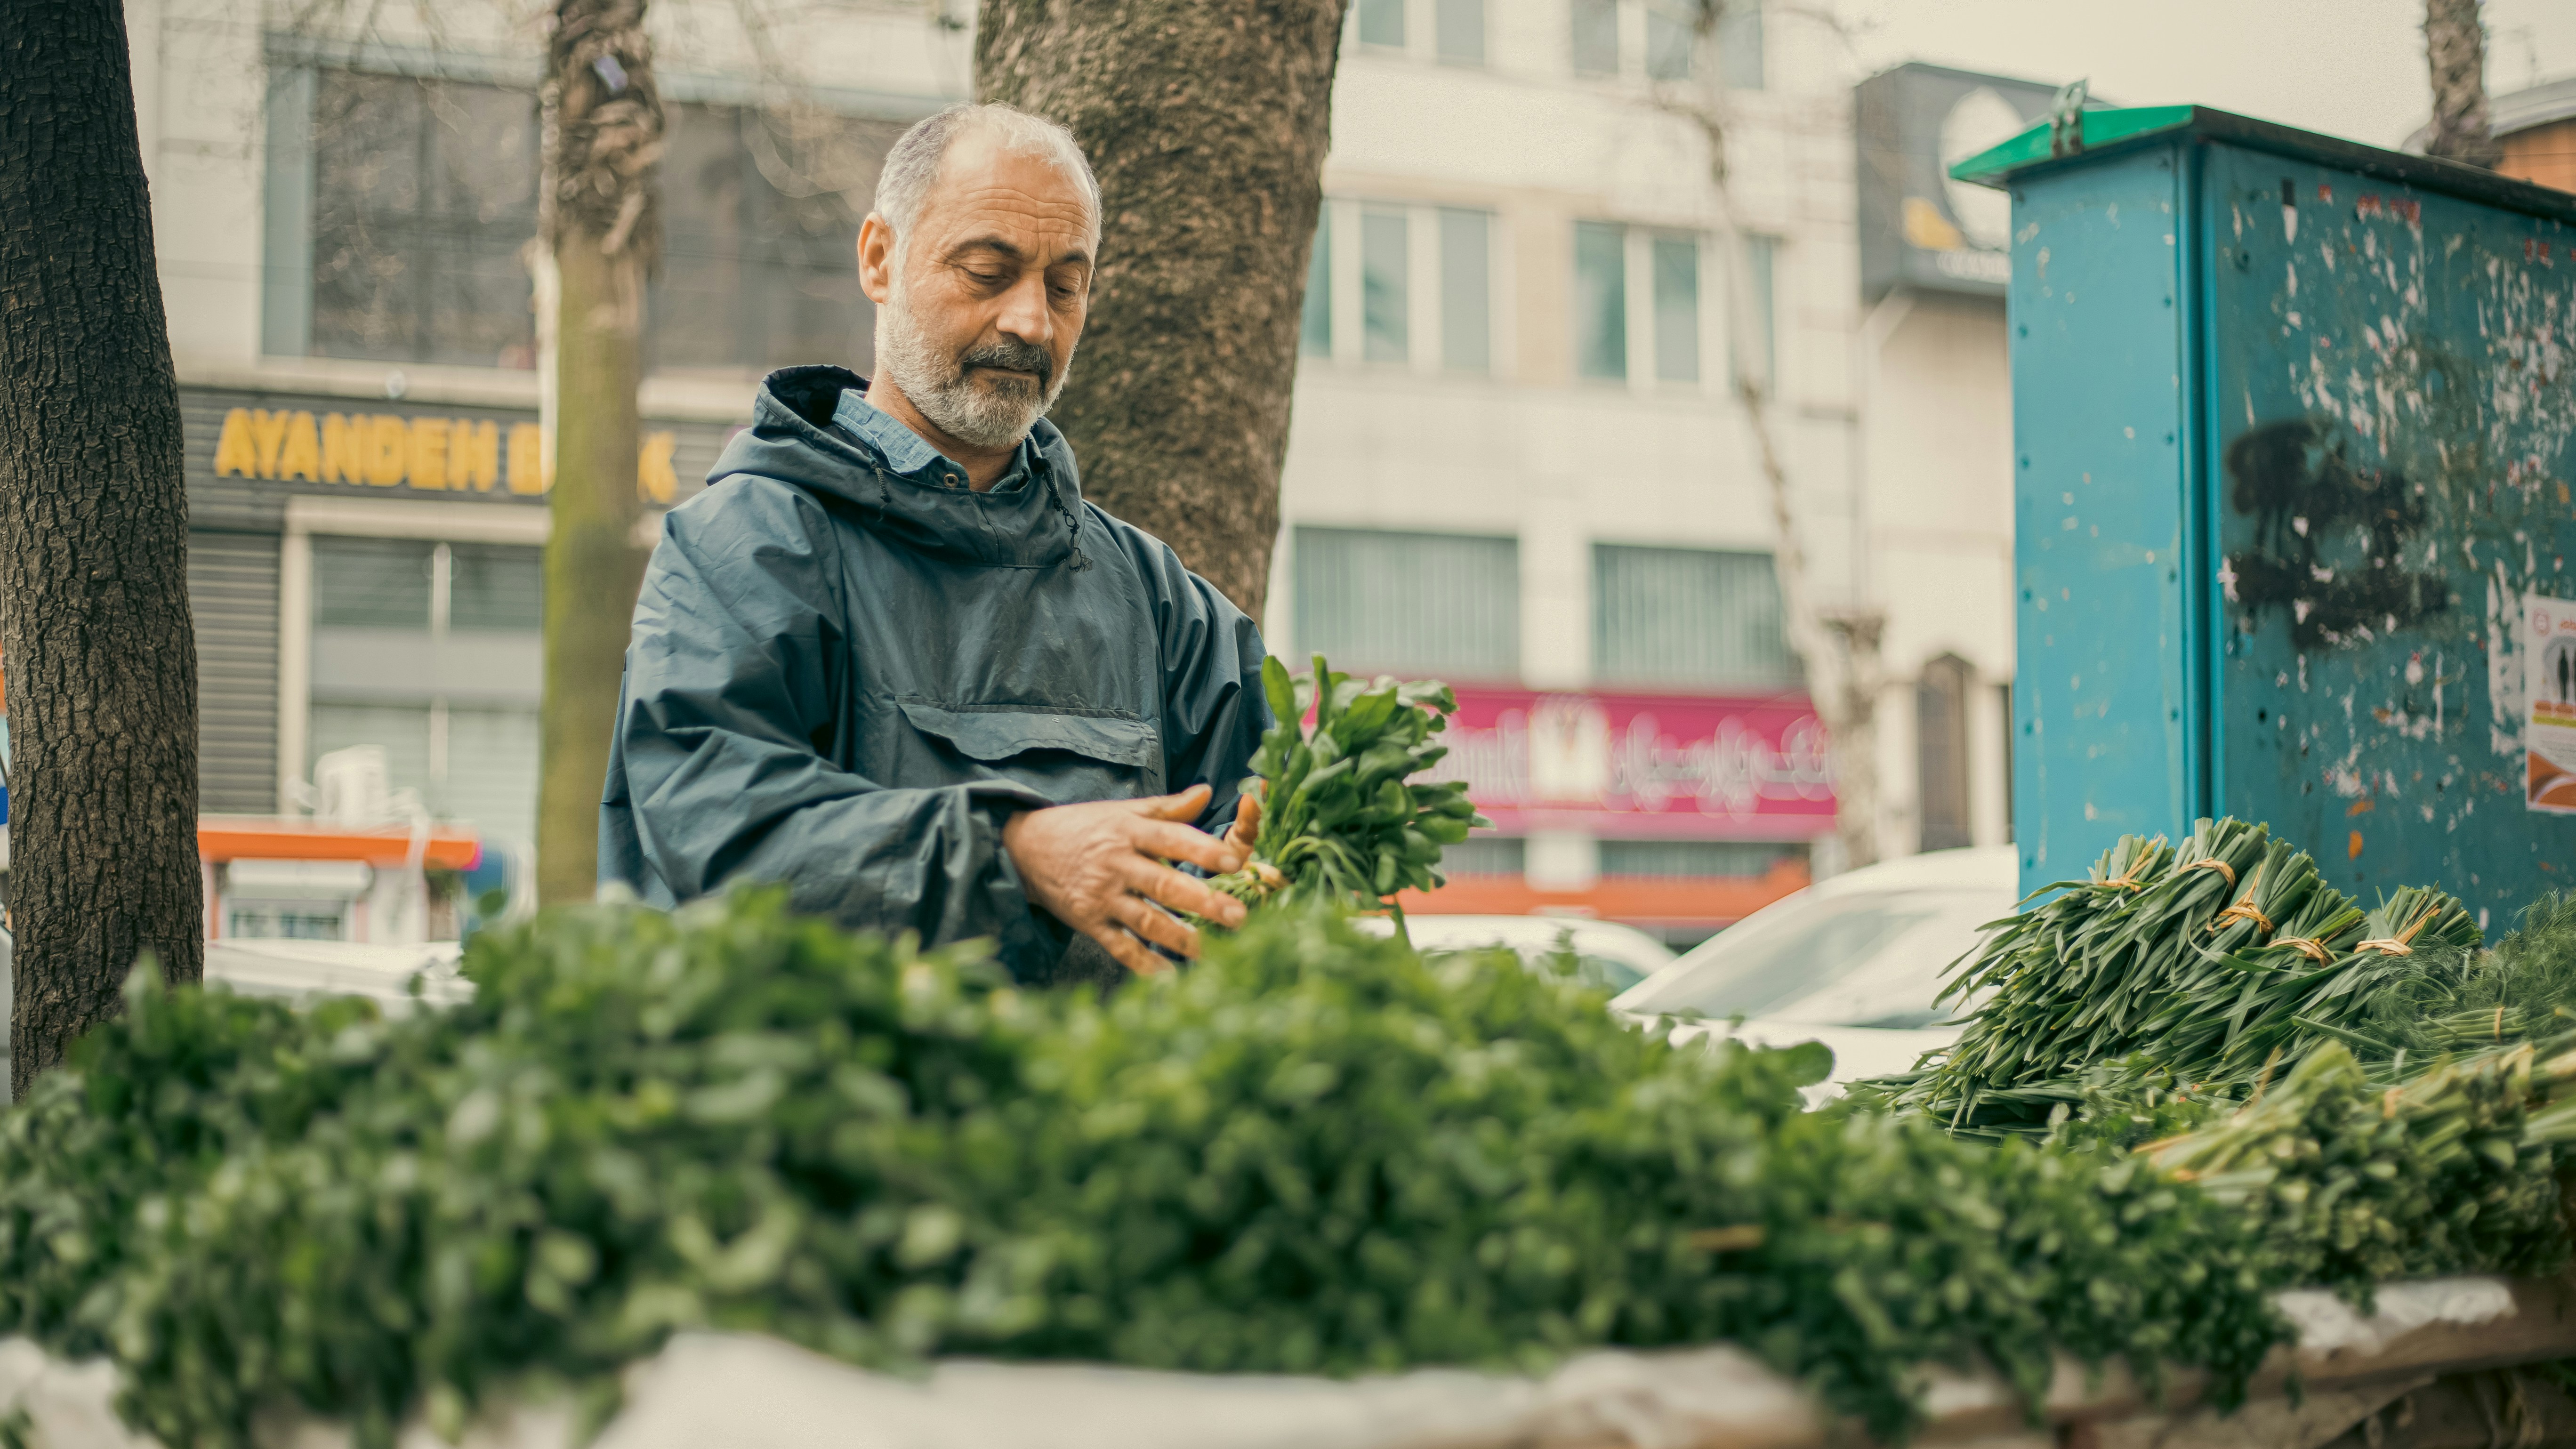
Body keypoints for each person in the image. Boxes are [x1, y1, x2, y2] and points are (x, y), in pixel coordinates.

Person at [599, 103, 1271, 985]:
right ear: (880, 257)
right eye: (989, 271)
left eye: (1065, 285)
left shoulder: (1155, 599)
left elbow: (1267, 823)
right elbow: (724, 833)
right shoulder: (745, 550)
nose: (1032, 321)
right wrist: (1017, 852)